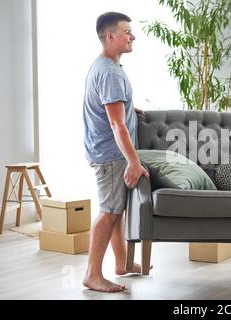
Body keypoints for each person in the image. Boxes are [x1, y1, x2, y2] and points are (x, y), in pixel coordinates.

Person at [82, 12, 149, 292]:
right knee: (109, 212)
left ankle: (121, 263)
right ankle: (92, 274)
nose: (132, 36)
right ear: (110, 36)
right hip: (111, 155)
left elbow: (111, 108)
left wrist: (128, 107)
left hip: (105, 151)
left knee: (116, 210)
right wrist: (133, 161)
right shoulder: (109, 72)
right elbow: (115, 123)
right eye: (126, 32)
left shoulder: (106, 65)